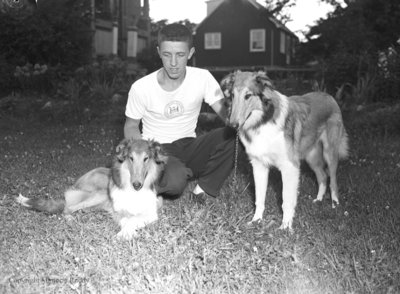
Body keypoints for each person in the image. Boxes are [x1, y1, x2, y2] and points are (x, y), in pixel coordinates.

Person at [124, 23, 236, 202]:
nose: (174, 63)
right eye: (167, 55)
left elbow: (227, 114)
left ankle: (204, 190)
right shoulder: (141, 87)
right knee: (176, 182)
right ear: (159, 52)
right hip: (158, 148)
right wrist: (141, 157)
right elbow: (131, 125)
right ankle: (149, 182)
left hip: (190, 146)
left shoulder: (203, 78)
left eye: (180, 55)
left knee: (234, 133)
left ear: (191, 53)